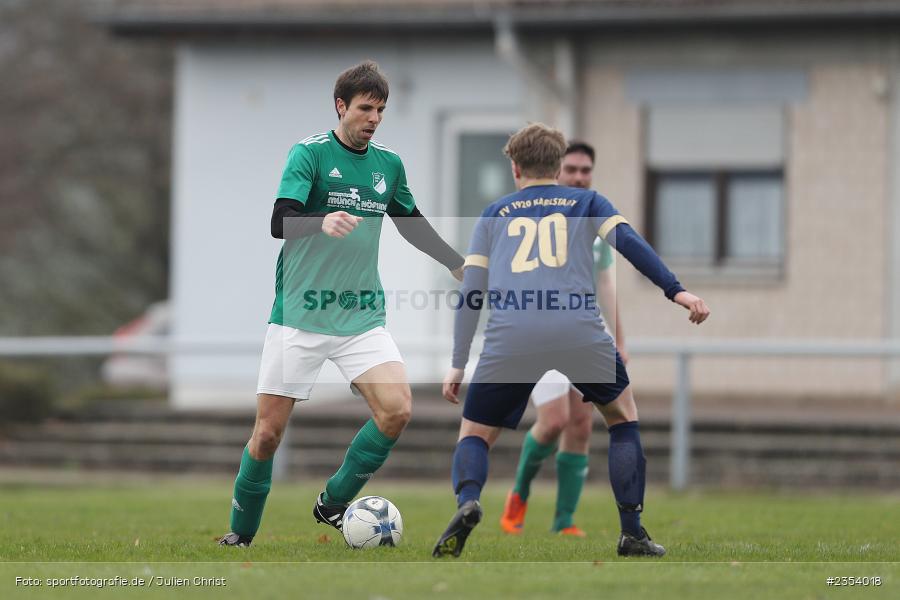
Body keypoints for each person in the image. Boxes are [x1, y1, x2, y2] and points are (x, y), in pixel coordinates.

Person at [433, 123, 710, 559]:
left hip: (513, 333)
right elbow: (630, 244)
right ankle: (632, 532)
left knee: (475, 433)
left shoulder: (494, 214)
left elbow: (473, 290)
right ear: (559, 165)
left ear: (515, 166)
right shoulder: (587, 202)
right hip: (577, 328)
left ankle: (469, 501)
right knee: (622, 418)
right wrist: (676, 290)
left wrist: (457, 360)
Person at [219, 61, 464, 547]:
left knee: (396, 410)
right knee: (267, 435)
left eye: (381, 110)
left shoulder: (388, 165)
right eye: (365, 108)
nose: (374, 118)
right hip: (300, 313)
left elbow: (410, 221)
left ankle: (333, 502)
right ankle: (241, 535)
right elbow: (278, 221)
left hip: (360, 315)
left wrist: (457, 264)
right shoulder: (308, 154)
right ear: (341, 106)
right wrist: (320, 221)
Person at [500, 141, 626, 538]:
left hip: (585, 331)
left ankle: (564, 520)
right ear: (556, 171)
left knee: (582, 424)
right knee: (553, 422)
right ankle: (517, 497)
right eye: (571, 169)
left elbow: (606, 283)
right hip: (539, 331)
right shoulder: (530, 216)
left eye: (585, 170)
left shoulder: (594, 222)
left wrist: (619, 338)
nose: (578, 177)